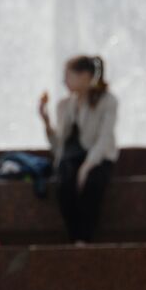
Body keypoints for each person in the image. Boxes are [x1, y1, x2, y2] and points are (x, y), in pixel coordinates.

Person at [39, 55, 119, 242]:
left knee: (92, 183)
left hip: (98, 158)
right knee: (64, 184)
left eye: (68, 76)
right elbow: (59, 145)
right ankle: (75, 239)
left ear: (84, 76)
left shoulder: (107, 101)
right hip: (71, 161)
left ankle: (84, 240)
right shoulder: (65, 105)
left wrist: (88, 165)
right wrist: (46, 121)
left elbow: (105, 138)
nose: (64, 81)